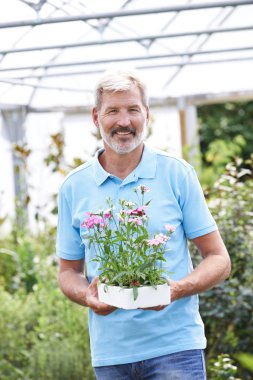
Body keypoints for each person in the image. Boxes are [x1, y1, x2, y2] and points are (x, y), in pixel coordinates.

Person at [56, 69, 231, 380]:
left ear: (147, 114)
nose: (124, 121)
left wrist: (176, 289)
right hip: (111, 355)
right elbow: (69, 271)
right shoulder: (74, 186)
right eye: (113, 111)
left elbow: (219, 259)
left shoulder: (177, 173)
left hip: (176, 349)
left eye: (133, 109)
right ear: (96, 117)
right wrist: (88, 297)